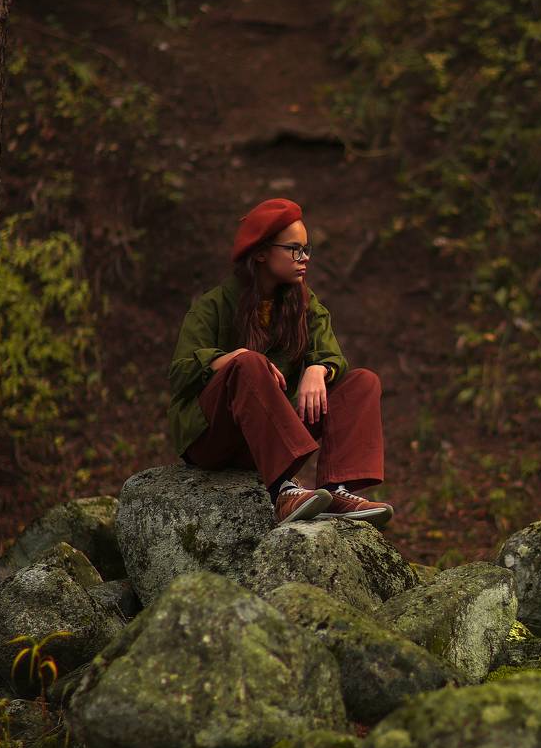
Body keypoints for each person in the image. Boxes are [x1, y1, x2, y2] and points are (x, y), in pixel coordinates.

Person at [167, 196, 393, 527]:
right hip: (213, 441)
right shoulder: (214, 305)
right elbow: (180, 372)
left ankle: (337, 490)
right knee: (249, 364)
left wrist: (318, 368)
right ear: (261, 253)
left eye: (306, 248)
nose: (305, 258)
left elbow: (331, 354)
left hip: (264, 440)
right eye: (294, 249)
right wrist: (232, 358)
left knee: (362, 382)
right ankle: (282, 492)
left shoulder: (302, 303)